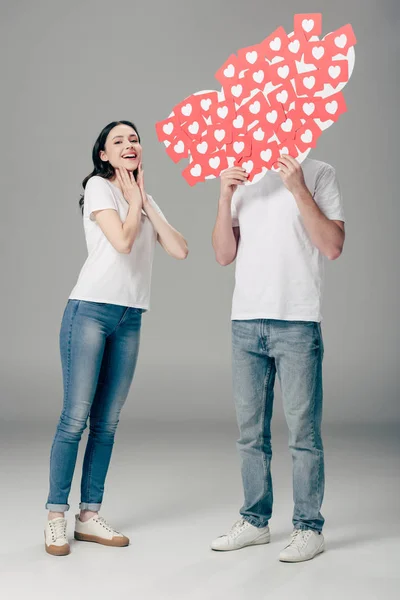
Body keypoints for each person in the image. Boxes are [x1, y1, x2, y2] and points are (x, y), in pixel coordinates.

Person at [44, 121, 188, 556]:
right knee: (75, 417)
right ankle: (55, 517)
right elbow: (124, 242)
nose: (130, 144)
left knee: (106, 423)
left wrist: (145, 202)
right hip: (88, 311)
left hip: (130, 317)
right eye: (118, 140)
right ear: (104, 154)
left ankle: (89, 517)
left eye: (134, 138)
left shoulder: (140, 198)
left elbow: (179, 249)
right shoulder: (98, 188)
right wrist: (132, 203)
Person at [210, 155, 345, 562]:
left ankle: (309, 528)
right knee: (250, 433)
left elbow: (333, 246)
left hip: (297, 321)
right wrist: (224, 197)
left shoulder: (320, 172)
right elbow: (222, 254)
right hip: (246, 321)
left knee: (303, 434)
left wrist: (299, 187)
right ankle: (255, 521)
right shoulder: (241, 173)